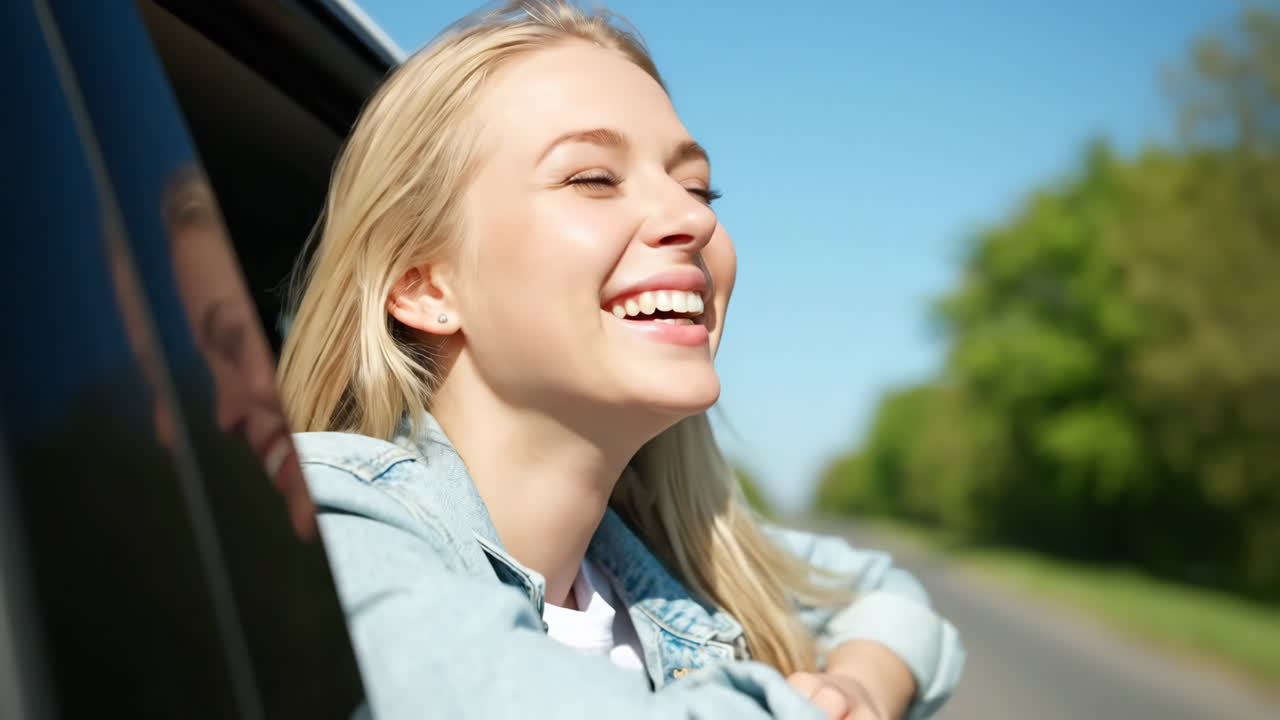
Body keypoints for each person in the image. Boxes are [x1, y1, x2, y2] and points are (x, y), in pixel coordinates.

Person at [277, 2, 964, 718]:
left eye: (698, 188)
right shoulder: (329, 519)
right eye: (593, 179)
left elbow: (888, 598)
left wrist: (860, 688)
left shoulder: (662, 556)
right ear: (424, 284)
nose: (696, 219)